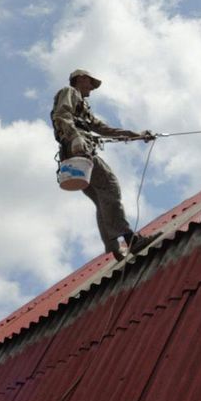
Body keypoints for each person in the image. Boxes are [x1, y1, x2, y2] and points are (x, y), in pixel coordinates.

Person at [51, 69, 160, 261]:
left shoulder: (83, 106)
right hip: (79, 150)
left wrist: (137, 135)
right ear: (81, 79)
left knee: (101, 198)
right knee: (109, 186)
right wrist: (75, 137)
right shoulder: (70, 92)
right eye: (90, 83)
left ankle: (114, 248)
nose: (92, 88)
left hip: (72, 154)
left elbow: (103, 129)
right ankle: (131, 240)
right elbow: (61, 115)